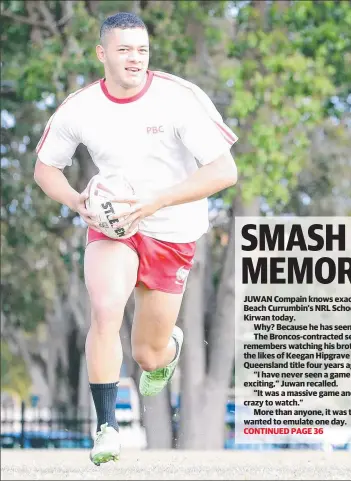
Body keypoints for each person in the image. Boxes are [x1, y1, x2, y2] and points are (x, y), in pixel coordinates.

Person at [33, 12, 238, 465]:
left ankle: (168, 350)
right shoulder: (79, 107)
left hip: (173, 229)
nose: (135, 58)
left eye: (142, 50)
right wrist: (76, 201)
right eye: (124, 50)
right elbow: (46, 169)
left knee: (148, 354)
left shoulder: (179, 99)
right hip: (113, 224)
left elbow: (225, 171)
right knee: (106, 310)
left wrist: (158, 201)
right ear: (102, 54)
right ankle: (107, 427)